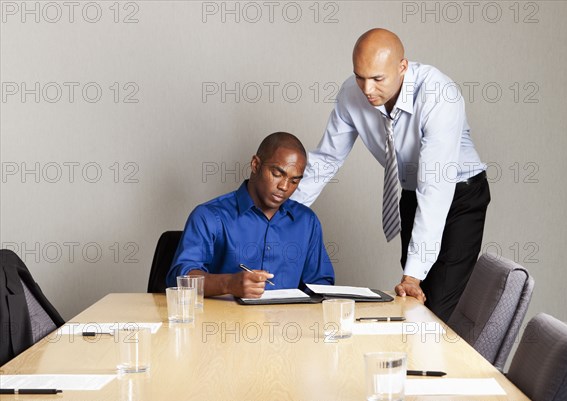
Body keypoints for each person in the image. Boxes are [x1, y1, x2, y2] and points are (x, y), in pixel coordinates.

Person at [291, 28, 490, 322]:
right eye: (360, 76)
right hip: (410, 192)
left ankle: (435, 366)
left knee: (434, 308)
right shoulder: (351, 94)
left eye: (377, 79)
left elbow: (435, 188)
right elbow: (325, 160)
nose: (367, 89)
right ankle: (408, 366)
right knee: (410, 303)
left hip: (461, 194)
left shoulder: (439, 95)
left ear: (402, 67)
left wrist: (412, 276)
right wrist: (283, 212)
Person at [167, 132, 335, 298]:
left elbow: (320, 286)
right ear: (255, 164)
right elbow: (180, 280)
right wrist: (229, 284)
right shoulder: (209, 216)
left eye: (294, 181)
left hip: (287, 323)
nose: (284, 186)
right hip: (224, 322)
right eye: (277, 174)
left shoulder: (307, 222)